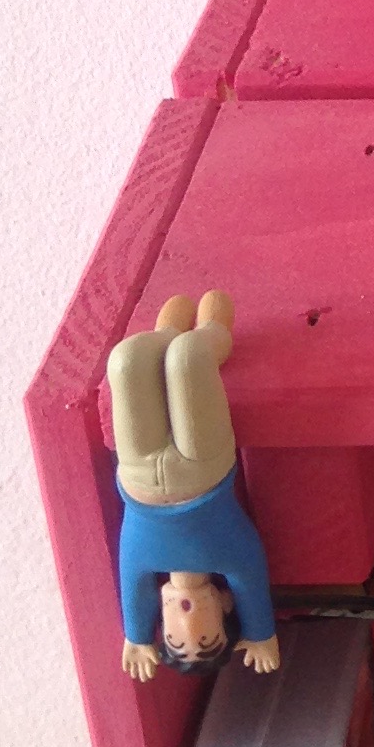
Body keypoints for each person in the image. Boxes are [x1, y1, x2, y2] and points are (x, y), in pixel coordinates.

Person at [110, 291, 278, 682]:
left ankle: (166, 330)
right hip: (203, 471)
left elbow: (133, 587)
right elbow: (251, 583)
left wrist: (137, 636)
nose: (185, 625)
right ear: (224, 604)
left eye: (174, 639)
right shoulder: (230, 552)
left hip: (137, 475)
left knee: (125, 361)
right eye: (204, 638)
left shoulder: (140, 556)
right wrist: (261, 633)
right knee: (190, 358)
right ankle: (214, 328)